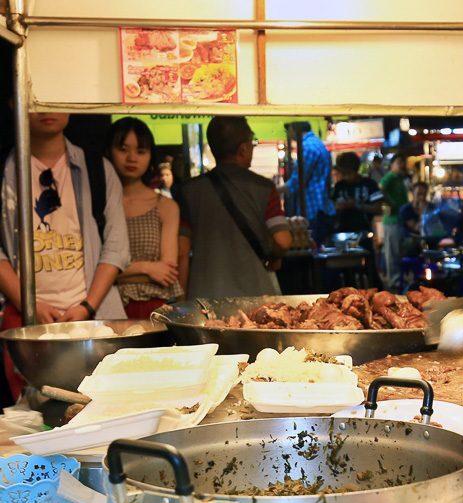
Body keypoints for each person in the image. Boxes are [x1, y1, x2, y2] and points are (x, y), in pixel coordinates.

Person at [0, 112, 129, 400]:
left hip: (94, 321)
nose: (47, 110)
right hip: (25, 324)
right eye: (37, 100)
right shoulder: (6, 171)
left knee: (100, 405)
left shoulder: (97, 169)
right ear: (16, 102)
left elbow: (117, 247)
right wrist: (29, 304)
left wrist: (86, 305)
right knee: (32, 414)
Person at [176, 116, 292, 298]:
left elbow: (181, 251)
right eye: (252, 143)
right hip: (256, 296)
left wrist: (180, 300)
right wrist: (274, 257)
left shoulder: (189, 191)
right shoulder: (264, 188)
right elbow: (283, 240)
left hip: (204, 297)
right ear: (243, 149)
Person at [106, 117, 183, 319]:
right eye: (123, 149)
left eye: (141, 151)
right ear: (109, 151)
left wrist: (113, 274)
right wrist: (147, 268)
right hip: (105, 304)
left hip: (153, 308)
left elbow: (166, 272)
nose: (132, 158)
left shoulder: (165, 206)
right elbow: (90, 271)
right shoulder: (97, 204)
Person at [285, 121, 334, 244]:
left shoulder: (308, 147)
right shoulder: (317, 143)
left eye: (288, 130)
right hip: (321, 205)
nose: (288, 134)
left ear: (294, 129)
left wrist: (275, 189)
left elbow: (298, 181)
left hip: (312, 207)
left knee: (311, 247)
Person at [331, 152, 381, 234]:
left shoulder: (370, 184)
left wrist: (356, 205)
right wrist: (338, 207)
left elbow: (378, 208)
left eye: (348, 173)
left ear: (356, 169)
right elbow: (333, 207)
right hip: (343, 231)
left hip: (366, 231)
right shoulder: (339, 186)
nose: (345, 177)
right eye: (343, 174)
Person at [380, 154, 410, 290]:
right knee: (392, 252)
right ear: (392, 165)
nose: (401, 165)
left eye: (403, 163)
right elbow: (380, 188)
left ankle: (398, 280)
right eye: (398, 163)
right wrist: (389, 203)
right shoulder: (390, 176)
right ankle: (394, 282)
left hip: (400, 220)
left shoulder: (399, 179)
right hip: (391, 220)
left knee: (397, 251)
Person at [399, 182, 429, 254]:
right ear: (413, 193)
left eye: (424, 194)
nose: (421, 197)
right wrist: (422, 212)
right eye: (419, 194)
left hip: (429, 237)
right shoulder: (406, 209)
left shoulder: (431, 207)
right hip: (412, 239)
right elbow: (416, 228)